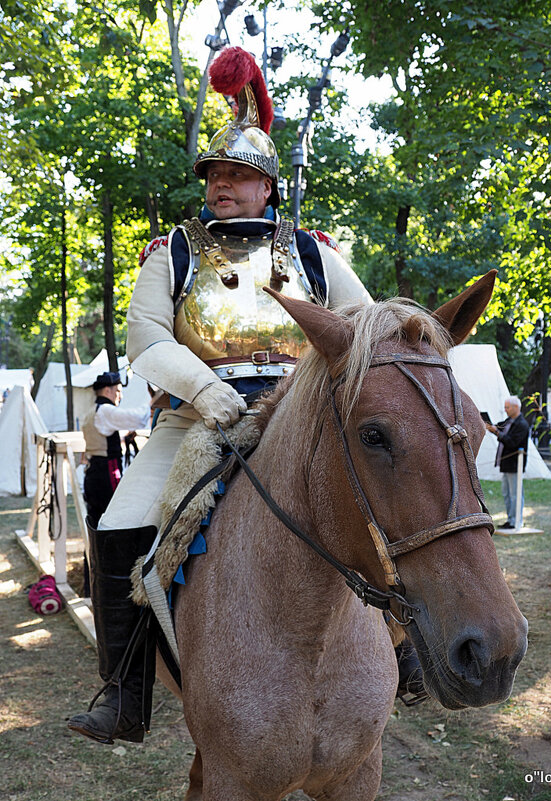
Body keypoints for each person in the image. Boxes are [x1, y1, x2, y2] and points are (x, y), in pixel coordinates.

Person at [67, 46, 372, 746]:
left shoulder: (315, 254)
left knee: (387, 504)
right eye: (215, 172)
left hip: (303, 416)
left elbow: (361, 325)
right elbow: (146, 336)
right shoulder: (171, 251)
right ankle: (126, 695)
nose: (222, 183)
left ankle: (407, 650)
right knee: (120, 529)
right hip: (194, 419)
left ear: (267, 186)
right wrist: (204, 388)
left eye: (238, 173)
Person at [82, 371, 151, 528]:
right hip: (107, 471)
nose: (120, 396)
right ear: (108, 390)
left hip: (93, 471)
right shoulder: (106, 410)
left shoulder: (91, 412)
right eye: (118, 391)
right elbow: (137, 418)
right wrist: (152, 403)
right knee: (114, 514)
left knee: (97, 518)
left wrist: (123, 438)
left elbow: (102, 439)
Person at [486, 396, 530, 529]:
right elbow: (500, 428)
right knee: (506, 493)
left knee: (515, 494)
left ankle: (517, 520)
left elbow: (511, 442)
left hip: (515, 464)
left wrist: (496, 432)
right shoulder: (509, 421)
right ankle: (510, 520)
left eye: (507, 407)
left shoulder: (522, 424)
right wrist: (491, 427)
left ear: (516, 407)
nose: (505, 410)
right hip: (506, 464)